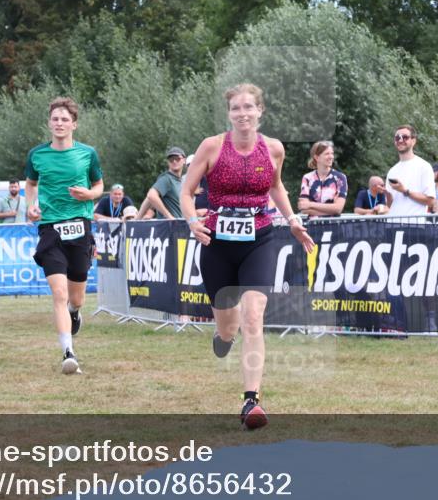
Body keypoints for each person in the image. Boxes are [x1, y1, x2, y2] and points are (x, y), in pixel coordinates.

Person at [180, 83, 314, 430]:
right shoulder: (212, 146)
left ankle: (251, 401)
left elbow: (275, 187)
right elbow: (187, 190)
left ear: (260, 112)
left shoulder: (273, 149)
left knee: (253, 317)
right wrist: (194, 222)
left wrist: (293, 221)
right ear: (229, 114)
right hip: (217, 244)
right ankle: (223, 337)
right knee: (228, 327)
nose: (243, 114)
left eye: (248, 108)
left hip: (260, 239)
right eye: (236, 108)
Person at [26, 96, 104, 375]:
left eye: (64, 119)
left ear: (74, 124)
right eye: (55, 119)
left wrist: (90, 195)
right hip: (50, 229)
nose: (59, 123)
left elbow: (99, 185)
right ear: (49, 123)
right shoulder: (37, 155)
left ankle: (75, 313)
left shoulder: (87, 154)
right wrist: (30, 206)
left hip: (80, 228)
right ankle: (68, 352)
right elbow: (31, 183)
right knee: (58, 294)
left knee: (76, 298)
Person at [385, 125, 435, 217]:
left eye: (405, 137)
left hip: (414, 224)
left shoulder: (424, 166)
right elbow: (389, 205)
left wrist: (405, 191)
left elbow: (430, 201)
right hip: (392, 224)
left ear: (413, 141)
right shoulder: (392, 171)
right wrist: (387, 194)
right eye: (397, 138)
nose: (400, 140)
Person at [298, 140, 348, 217]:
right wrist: (331, 211)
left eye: (332, 153)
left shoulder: (340, 178)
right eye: (327, 154)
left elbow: (338, 208)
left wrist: (310, 204)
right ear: (317, 157)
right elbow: (303, 208)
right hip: (312, 226)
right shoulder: (307, 178)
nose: (331, 156)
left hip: (333, 226)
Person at [146, 147, 186, 219]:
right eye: (171, 159)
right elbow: (151, 195)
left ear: (184, 160)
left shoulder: (180, 180)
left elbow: (148, 200)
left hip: (177, 226)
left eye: (177, 158)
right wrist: (169, 216)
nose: (174, 161)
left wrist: (137, 219)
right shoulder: (166, 178)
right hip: (168, 226)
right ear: (168, 162)